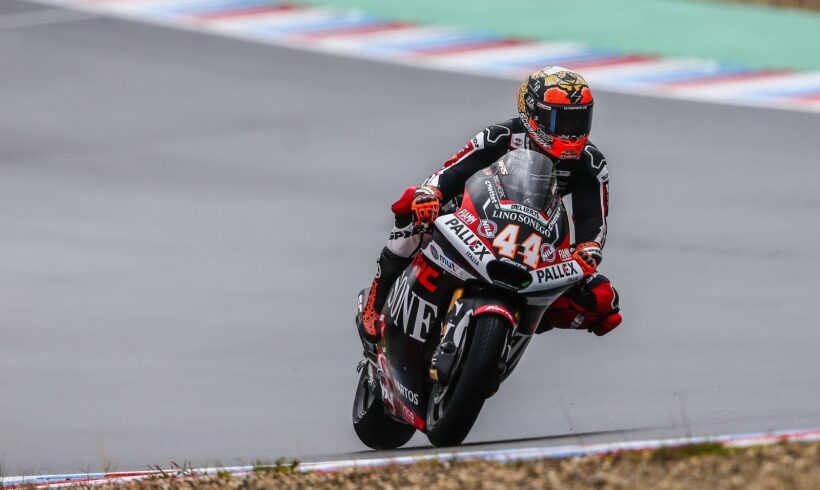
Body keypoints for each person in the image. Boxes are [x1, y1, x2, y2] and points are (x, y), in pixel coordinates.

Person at [358, 66, 621, 345]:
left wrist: (588, 248)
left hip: (538, 241)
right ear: (533, 114)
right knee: (412, 210)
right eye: (562, 122)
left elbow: (594, 216)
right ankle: (378, 297)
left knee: (603, 299)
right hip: (478, 218)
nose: (572, 133)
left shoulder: (590, 162)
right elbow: (456, 170)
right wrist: (431, 193)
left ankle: (518, 325)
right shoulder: (501, 136)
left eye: (579, 121)